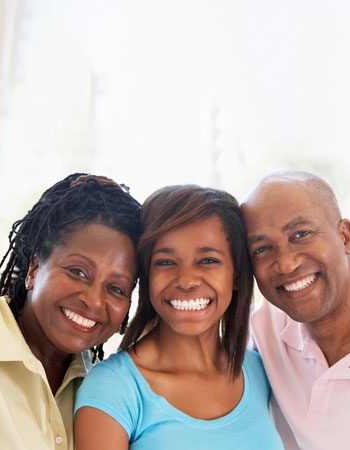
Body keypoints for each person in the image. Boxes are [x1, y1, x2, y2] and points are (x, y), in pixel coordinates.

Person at [74, 185, 284, 450]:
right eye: (165, 262)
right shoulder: (113, 388)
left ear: (237, 275)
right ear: (147, 276)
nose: (186, 281)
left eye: (208, 260)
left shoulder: (259, 370)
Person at [0, 173, 141, 450]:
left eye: (116, 288)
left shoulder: (110, 391)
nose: (93, 301)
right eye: (78, 271)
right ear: (33, 269)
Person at [241, 170, 350, 450]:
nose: (285, 264)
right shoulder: (262, 328)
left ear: (345, 237)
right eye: (262, 249)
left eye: (300, 234)